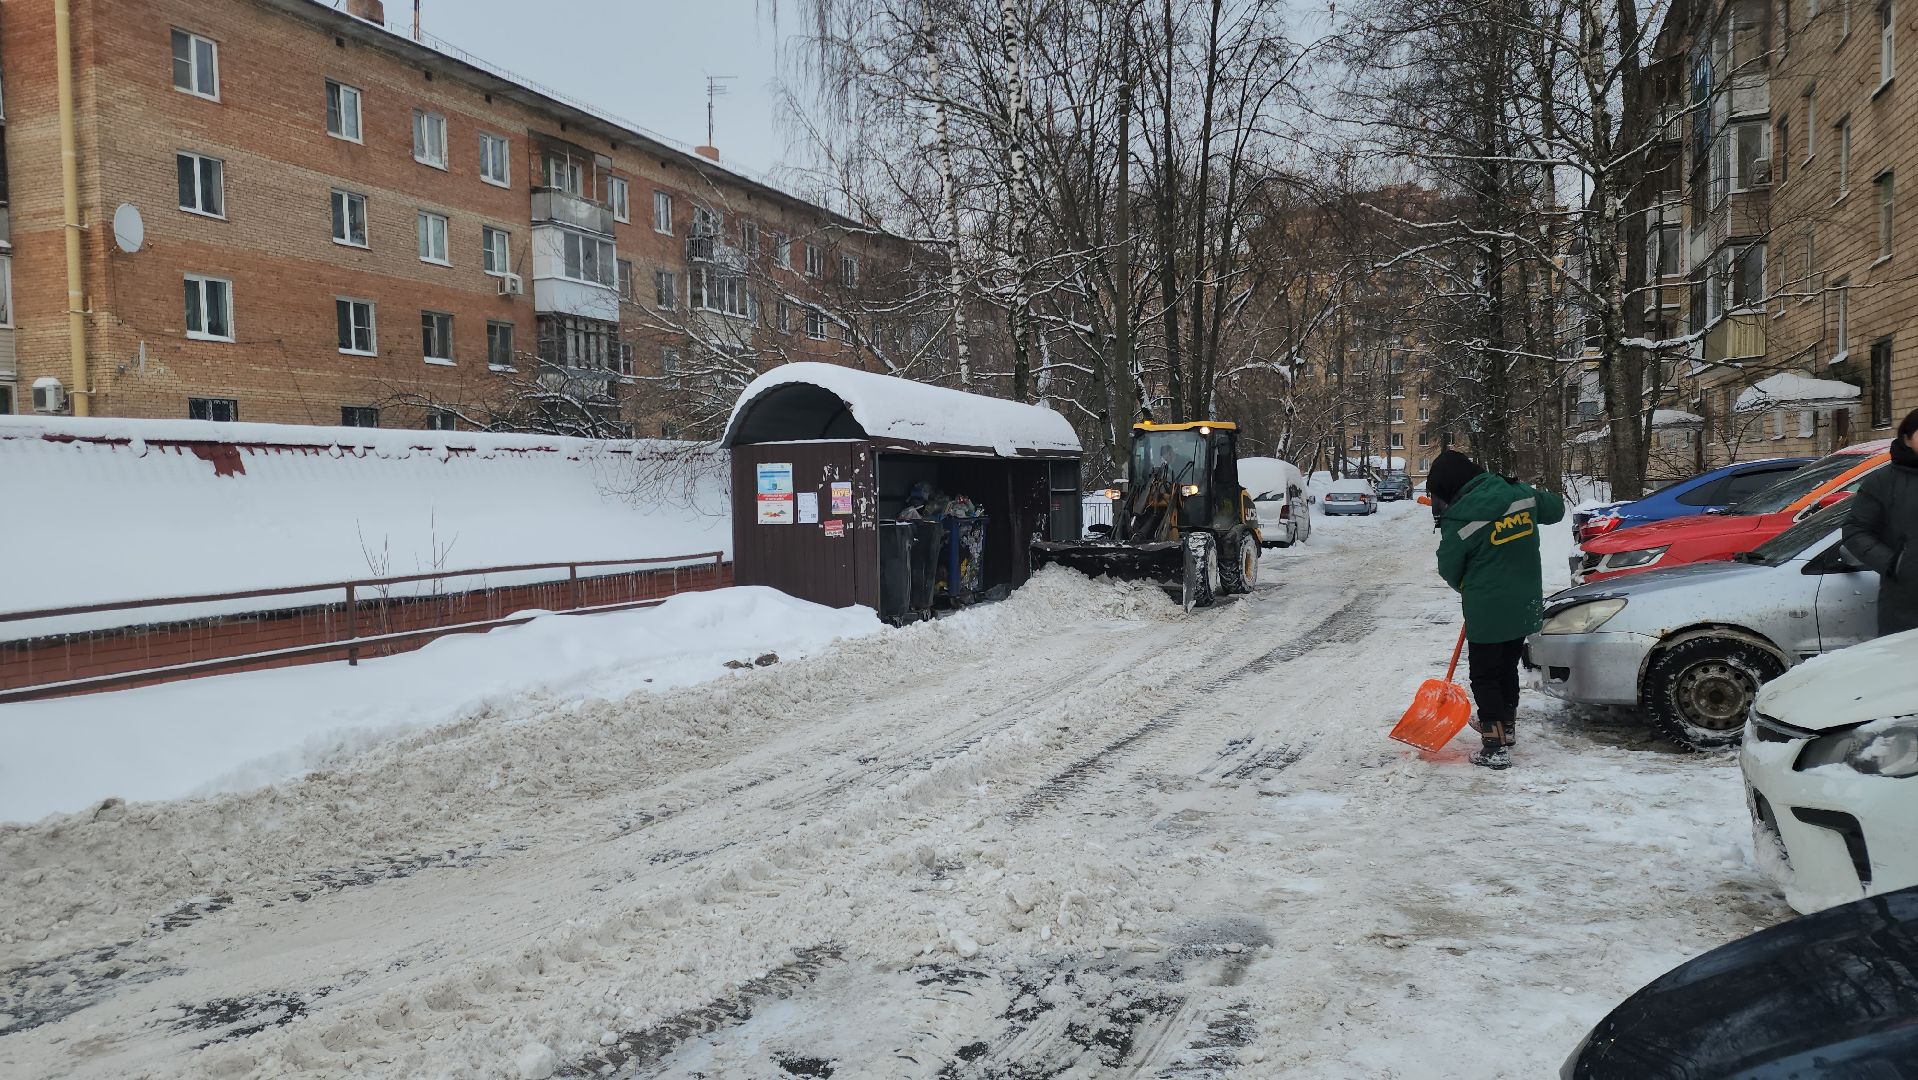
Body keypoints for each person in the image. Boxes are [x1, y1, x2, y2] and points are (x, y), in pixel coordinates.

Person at [1427, 449, 1567, 769]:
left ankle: (1494, 746)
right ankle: (1508, 728)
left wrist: (1468, 584)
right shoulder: (1519, 495)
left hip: (1487, 608)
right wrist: (1527, 493)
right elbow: (1556, 509)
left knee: (1485, 676)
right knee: (1505, 669)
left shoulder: (1460, 517)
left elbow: (1449, 567)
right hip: (1524, 602)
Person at [1843, 408, 1918, 637]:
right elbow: (1855, 530)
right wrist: (1894, 563)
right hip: (1907, 603)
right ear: (1906, 438)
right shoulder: (1883, 481)